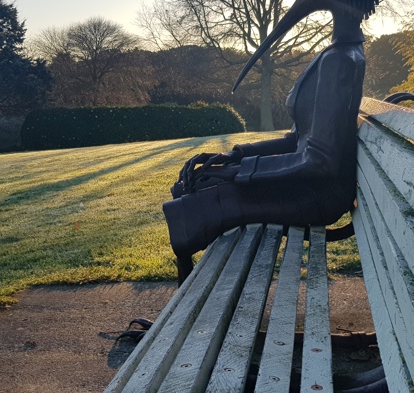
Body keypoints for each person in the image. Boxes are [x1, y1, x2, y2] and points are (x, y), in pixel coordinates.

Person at [163, 0, 382, 283]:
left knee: (194, 204)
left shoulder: (339, 59)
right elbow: (297, 140)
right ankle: (185, 305)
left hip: (317, 194)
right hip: (309, 182)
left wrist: (240, 172)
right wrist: (235, 156)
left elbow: (319, 159)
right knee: (195, 185)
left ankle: (184, 319)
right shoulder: (339, 53)